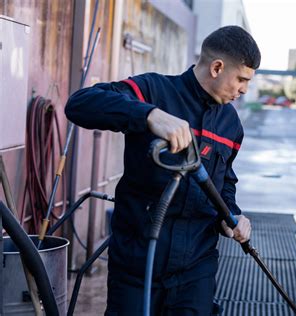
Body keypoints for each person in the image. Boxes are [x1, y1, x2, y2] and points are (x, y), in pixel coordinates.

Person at [65, 25, 261, 315]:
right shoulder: (153, 91)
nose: (244, 90)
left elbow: (225, 181)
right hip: (138, 264)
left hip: (196, 268)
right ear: (217, 67)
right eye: (241, 80)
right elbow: (79, 104)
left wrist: (231, 214)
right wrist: (149, 115)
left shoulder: (231, 124)